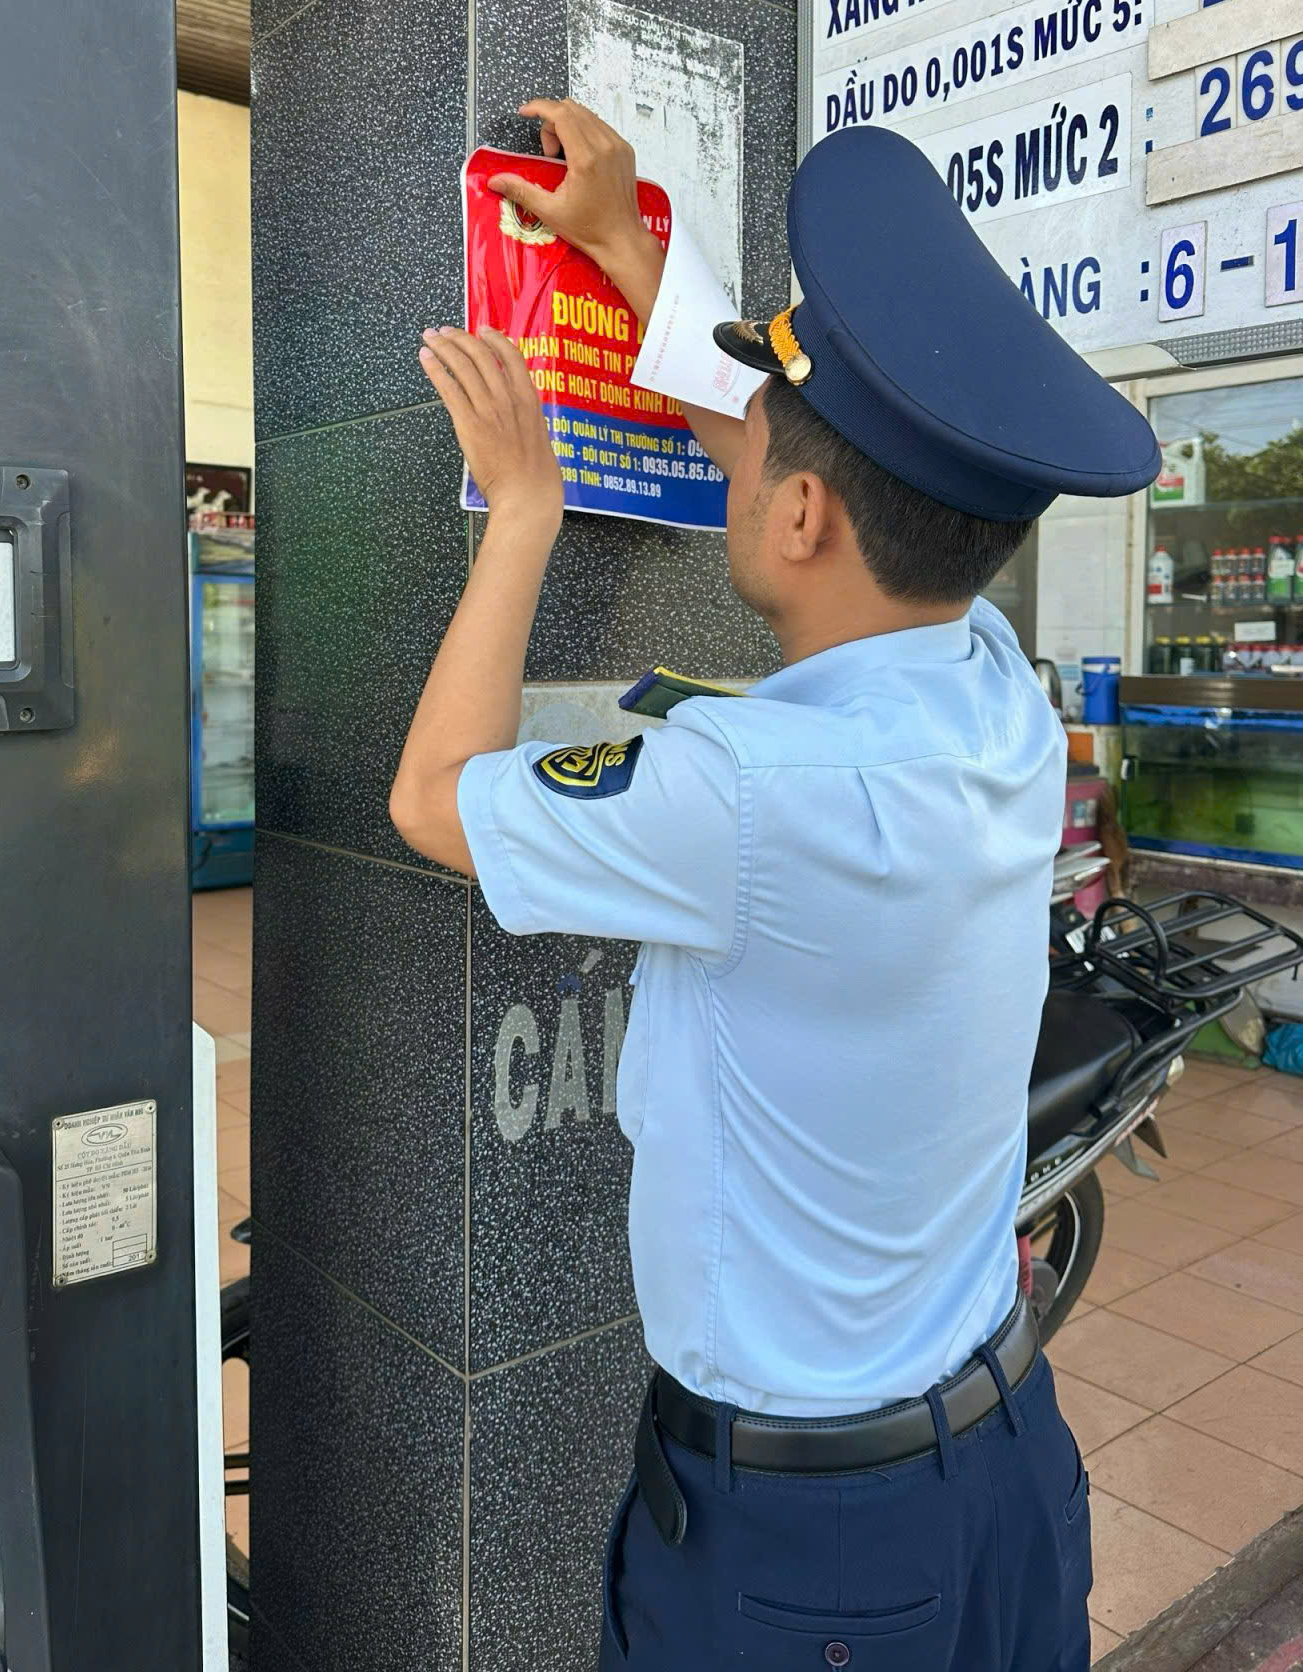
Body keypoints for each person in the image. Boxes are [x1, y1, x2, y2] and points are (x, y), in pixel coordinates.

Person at [390, 99, 1159, 1672]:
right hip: (1002, 1476)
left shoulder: (748, 791)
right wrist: (618, 241)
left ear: (807, 519)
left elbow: (430, 799)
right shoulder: (992, 683)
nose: (744, 466)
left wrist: (524, 508)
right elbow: (772, 428)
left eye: (772, 474)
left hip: (816, 1572)